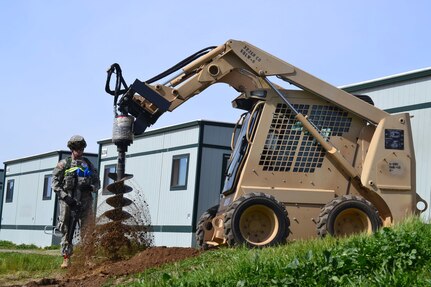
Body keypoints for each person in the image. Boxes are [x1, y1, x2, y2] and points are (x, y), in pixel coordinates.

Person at [52, 135, 100, 268]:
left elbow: (97, 183)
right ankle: (66, 258)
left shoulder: (88, 165)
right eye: (77, 149)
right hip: (68, 203)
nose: (79, 151)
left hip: (85, 203)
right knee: (67, 230)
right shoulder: (64, 164)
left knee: (87, 230)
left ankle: (88, 258)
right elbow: (55, 184)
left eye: (81, 149)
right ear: (72, 149)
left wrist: (90, 187)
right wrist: (65, 197)